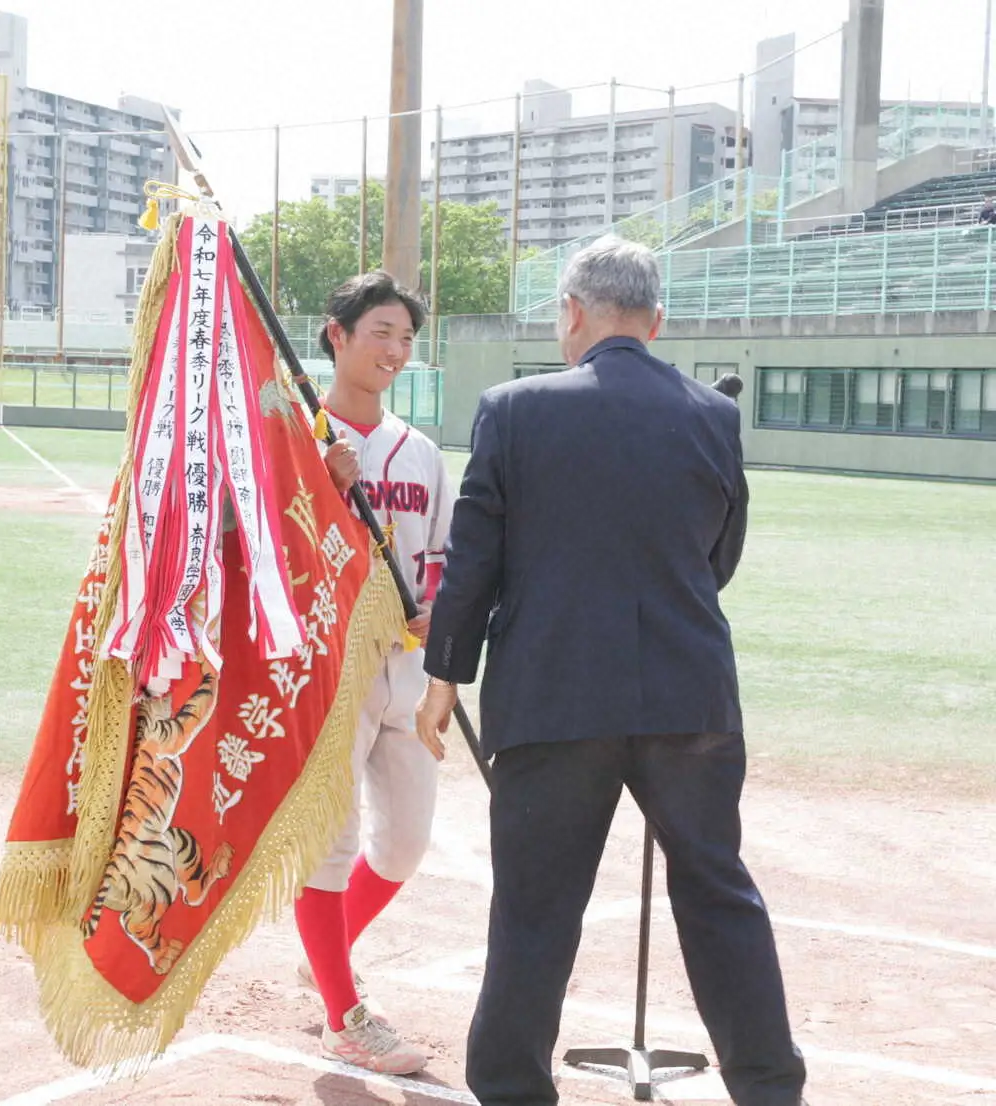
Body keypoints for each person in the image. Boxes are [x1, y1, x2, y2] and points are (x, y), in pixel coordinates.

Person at [415, 237, 807, 1106]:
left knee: (534, 910)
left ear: (573, 313)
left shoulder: (513, 409)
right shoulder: (712, 414)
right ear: (656, 321)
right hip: (689, 695)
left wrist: (447, 674)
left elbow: (474, 556)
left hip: (554, 697)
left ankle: (514, 1090)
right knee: (716, 894)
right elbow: (721, 555)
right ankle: (771, 1090)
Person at [294, 271, 456, 1076]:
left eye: (405, 339)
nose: (394, 350)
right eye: (379, 333)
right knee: (328, 846)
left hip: (409, 669)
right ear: (337, 335)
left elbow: (444, 559)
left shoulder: (420, 452)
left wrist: (442, 623)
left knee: (404, 846)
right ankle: (341, 1013)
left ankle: (324, 959)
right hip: (328, 673)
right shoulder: (297, 438)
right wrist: (322, 488)